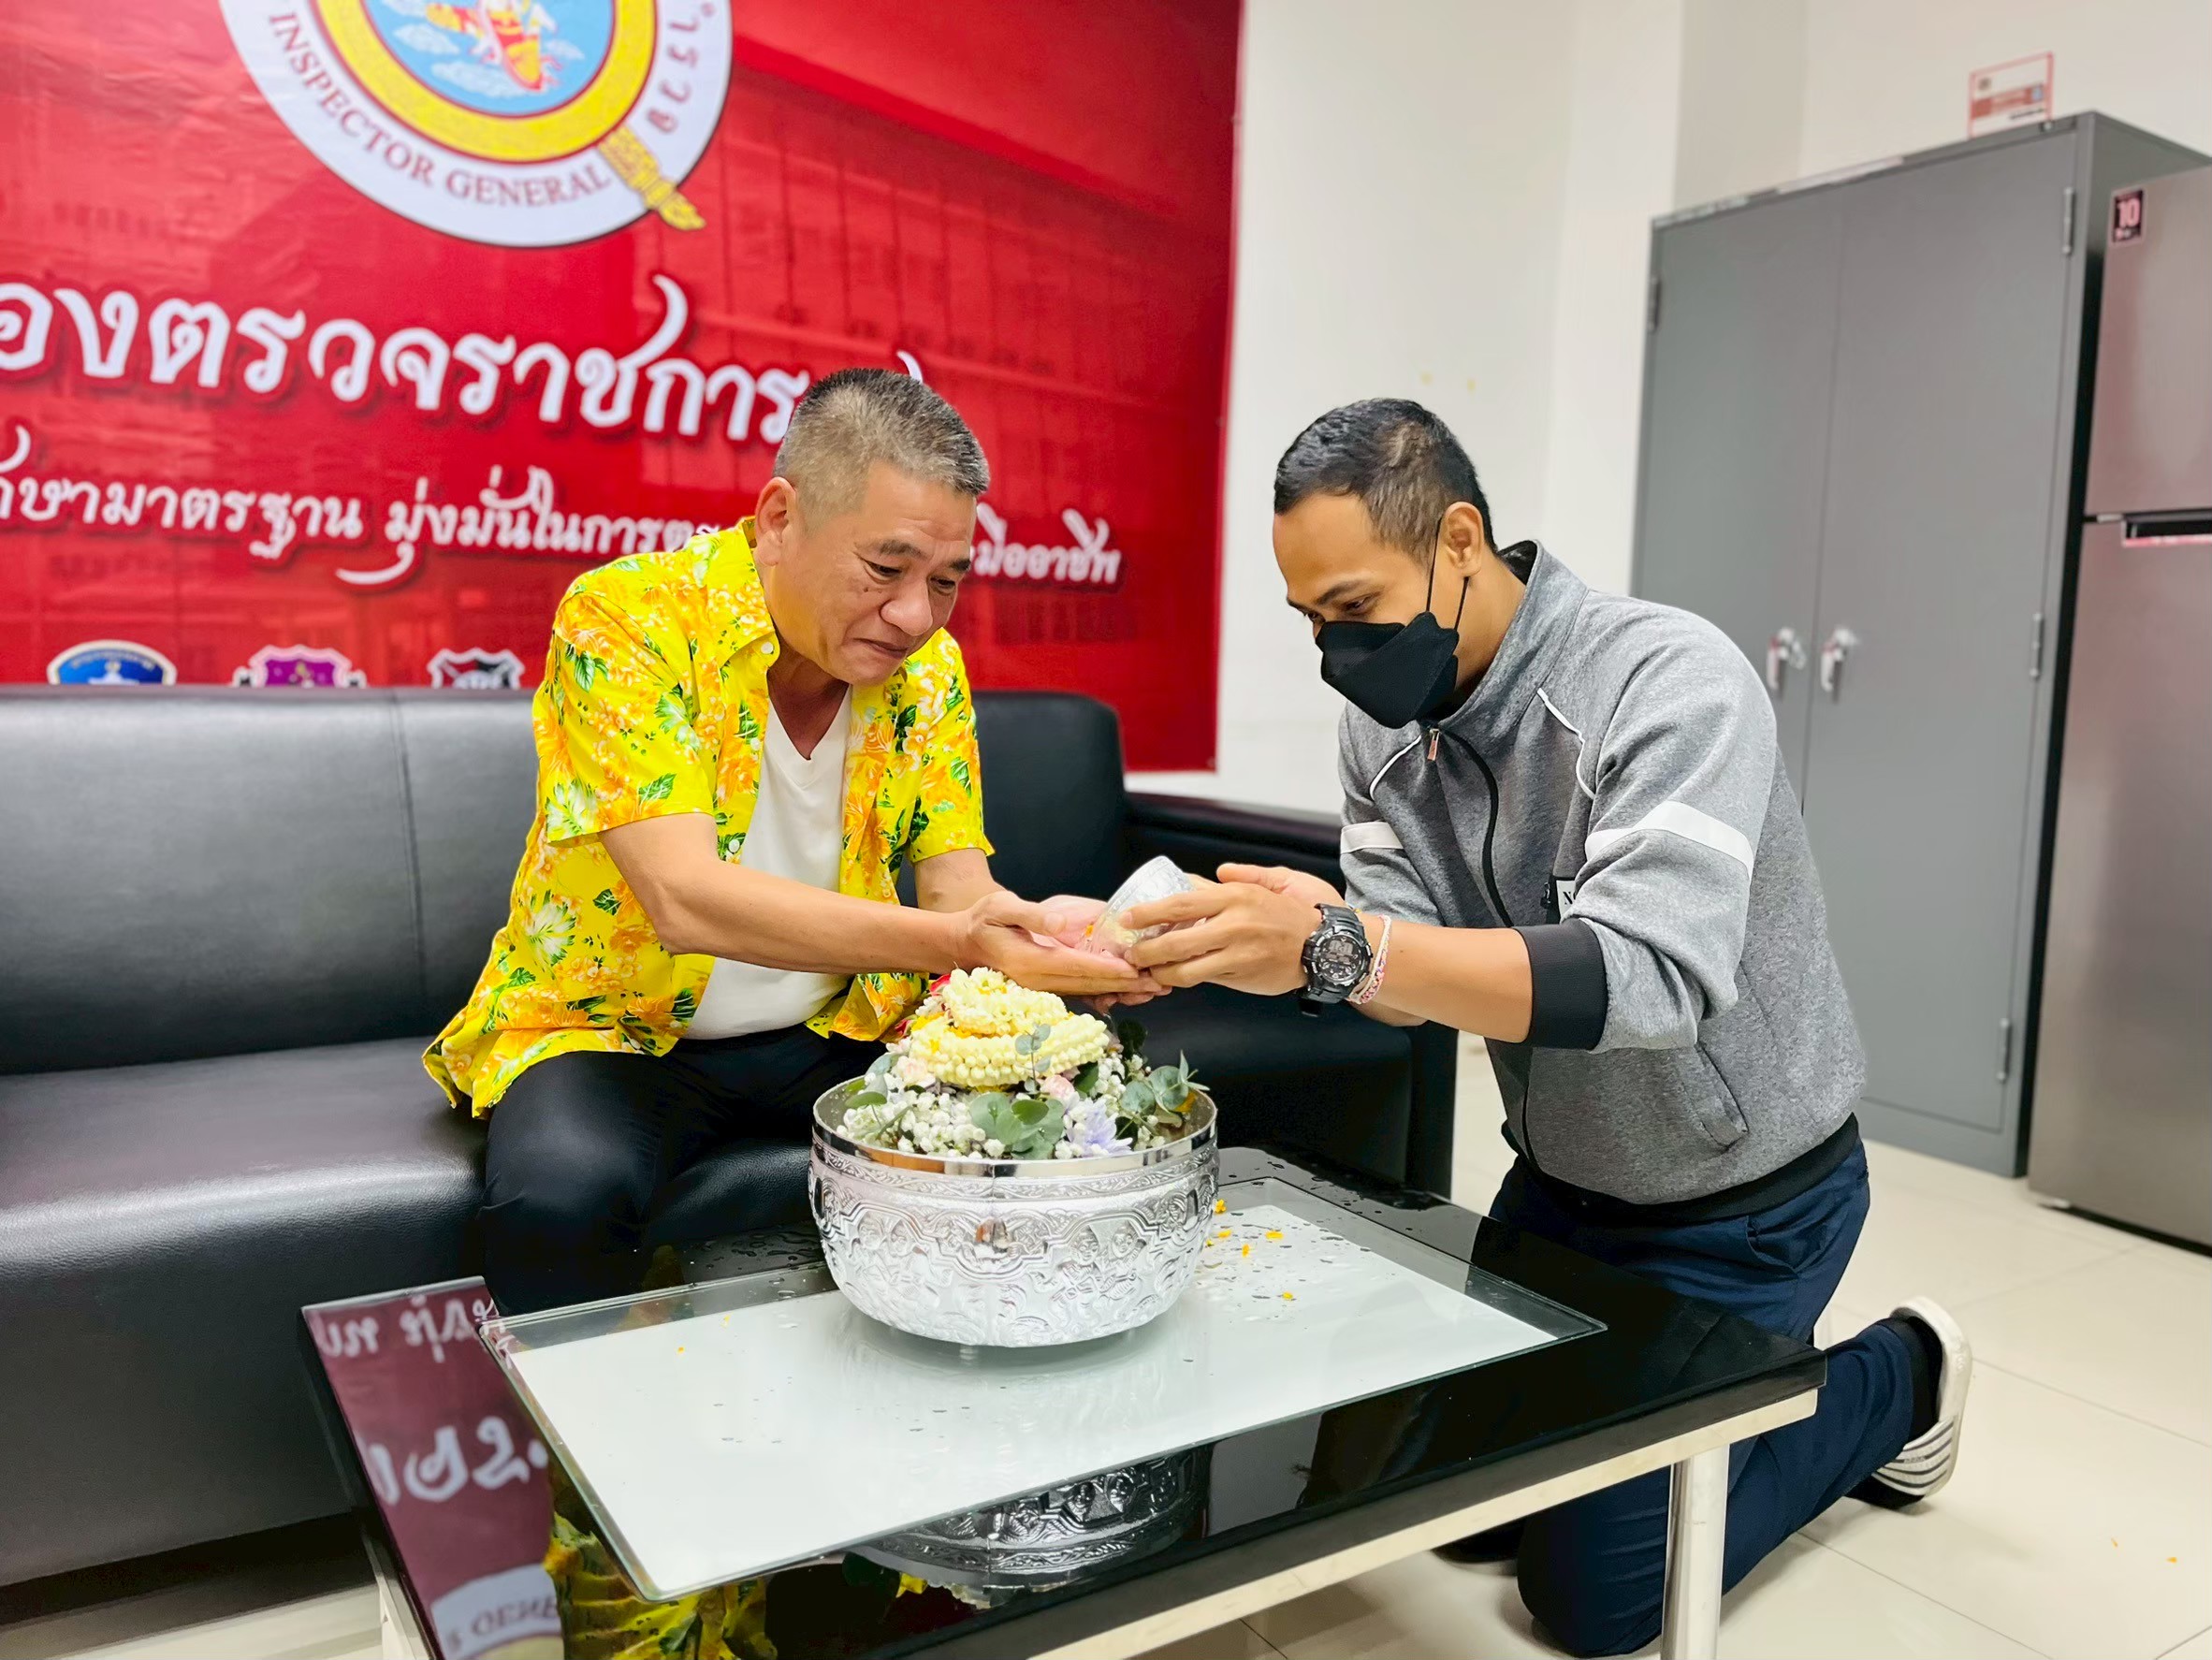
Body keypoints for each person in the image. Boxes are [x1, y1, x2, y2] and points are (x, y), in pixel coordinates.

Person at [1120, 399, 1972, 1657]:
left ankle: (1896, 1375)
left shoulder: (1665, 681)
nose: (1336, 654)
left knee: (1598, 1600)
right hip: (1563, 1184)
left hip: (1739, 1199)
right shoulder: (1380, 728)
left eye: (1354, 607)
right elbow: (1404, 976)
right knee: (1451, 1511)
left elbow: (1651, 975)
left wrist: (1343, 946)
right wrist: (1297, 945)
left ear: (1459, 540)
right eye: (1310, 620)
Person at [426, 369, 1142, 1314]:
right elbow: (684, 899)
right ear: (778, 518)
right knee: (558, 1202)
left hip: (834, 1027)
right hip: (620, 1036)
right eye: (885, 569)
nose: (916, 616)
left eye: (945, 581)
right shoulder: (630, 619)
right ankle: (587, 1417)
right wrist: (962, 941)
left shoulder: (928, 672)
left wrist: (1049, 932)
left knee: (1062, 1112)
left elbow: (961, 893)